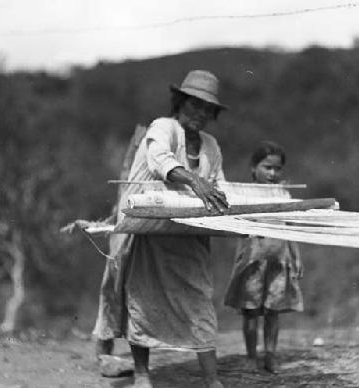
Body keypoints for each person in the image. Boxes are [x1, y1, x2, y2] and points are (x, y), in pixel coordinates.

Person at [93, 70, 229, 388]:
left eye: (206, 109)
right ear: (180, 103)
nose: (199, 113)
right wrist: (195, 181)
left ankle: (212, 380)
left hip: (189, 236)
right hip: (149, 231)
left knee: (199, 300)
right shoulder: (163, 128)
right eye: (193, 105)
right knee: (144, 298)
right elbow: (159, 160)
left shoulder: (210, 145)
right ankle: (142, 375)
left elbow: (220, 186)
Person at [224, 140, 304, 373]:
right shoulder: (244, 194)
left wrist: (296, 256)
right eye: (267, 168)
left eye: (277, 169)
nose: (272, 173)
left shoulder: (284, 193)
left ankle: (270, 355)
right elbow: (237, 225)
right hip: (253, 260)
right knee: (251, 312)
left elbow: (290, 226)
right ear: (253, 168)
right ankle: (251, 356)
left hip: (279, 260)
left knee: (273, 311)